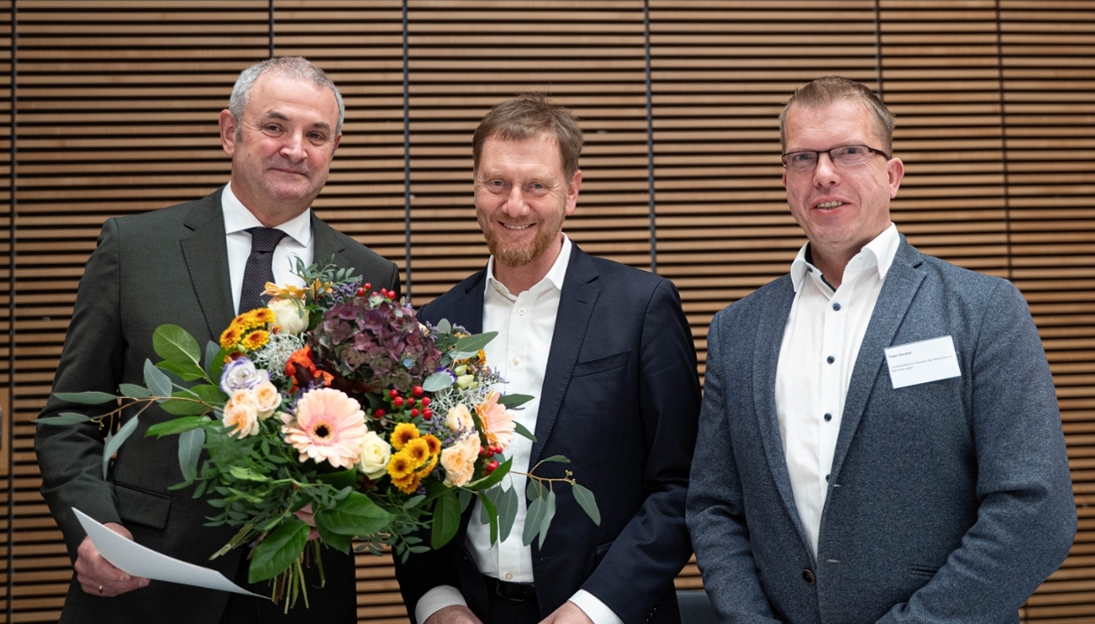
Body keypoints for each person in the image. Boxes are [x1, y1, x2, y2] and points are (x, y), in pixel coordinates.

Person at [687, 76, 1077, 624]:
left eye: (849, 152)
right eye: (802, 158)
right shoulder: (738, 330)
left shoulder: (982, 309)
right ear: (786, 180)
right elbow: (714, 508)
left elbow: (1036, 513)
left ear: (892, 175)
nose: (823, 173)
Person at [35, 56, 401, 624]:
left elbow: (384, 436)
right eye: (275, 127)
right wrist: (97, 528)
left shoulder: (371, 276)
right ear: (230, 131)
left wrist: (340, 495)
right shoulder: (135, 249)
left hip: (297, 592)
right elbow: (67, 419)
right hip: (145, 582)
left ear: (334, 149)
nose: (296, 149)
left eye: (317, 135)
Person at [394, 94, 701, 624]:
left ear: (572, 191)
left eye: (536, 185)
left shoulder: (641, 307)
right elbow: (412, 491)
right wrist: (437, 603)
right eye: (497, 184)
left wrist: (593, 610)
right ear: (476, 187)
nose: (515, 205)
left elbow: (683, 485)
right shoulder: (435, 323)